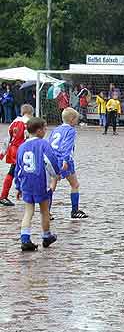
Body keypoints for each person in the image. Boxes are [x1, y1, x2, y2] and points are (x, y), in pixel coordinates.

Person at [15, 117, 60, 251]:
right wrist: (56, 174)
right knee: (44, 210)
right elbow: (50, 161)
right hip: (40, 182)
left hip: (26, 183)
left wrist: (18, 186)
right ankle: (46, 236)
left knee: (28, 212)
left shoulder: (22, 146)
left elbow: (18, 168)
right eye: (45, 128)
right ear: (39, 130)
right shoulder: (43, 144)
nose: (46, 131)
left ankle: (25, 238)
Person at [48, 107, 88, 219]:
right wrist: (65, 160)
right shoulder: (71, 130)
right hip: (63, 159)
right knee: (75, 185)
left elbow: (49, 144)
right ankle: (74, 211)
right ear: (71, 119)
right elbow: (67, 147)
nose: (77, 121)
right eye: (76, 119)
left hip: (52, 160)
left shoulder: (56, 129)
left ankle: (46, 211)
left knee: (52, 186)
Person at [0, 104, 34, 206]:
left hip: (13, 149)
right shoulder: (29, 123)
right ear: (31, 113)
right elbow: (29, 138)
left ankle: (9, 194)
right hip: (22, 150)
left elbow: (8, 138)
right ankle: (5, 196)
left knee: (14, 171)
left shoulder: (14, 122)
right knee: (22, 171)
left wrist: (2, 152)